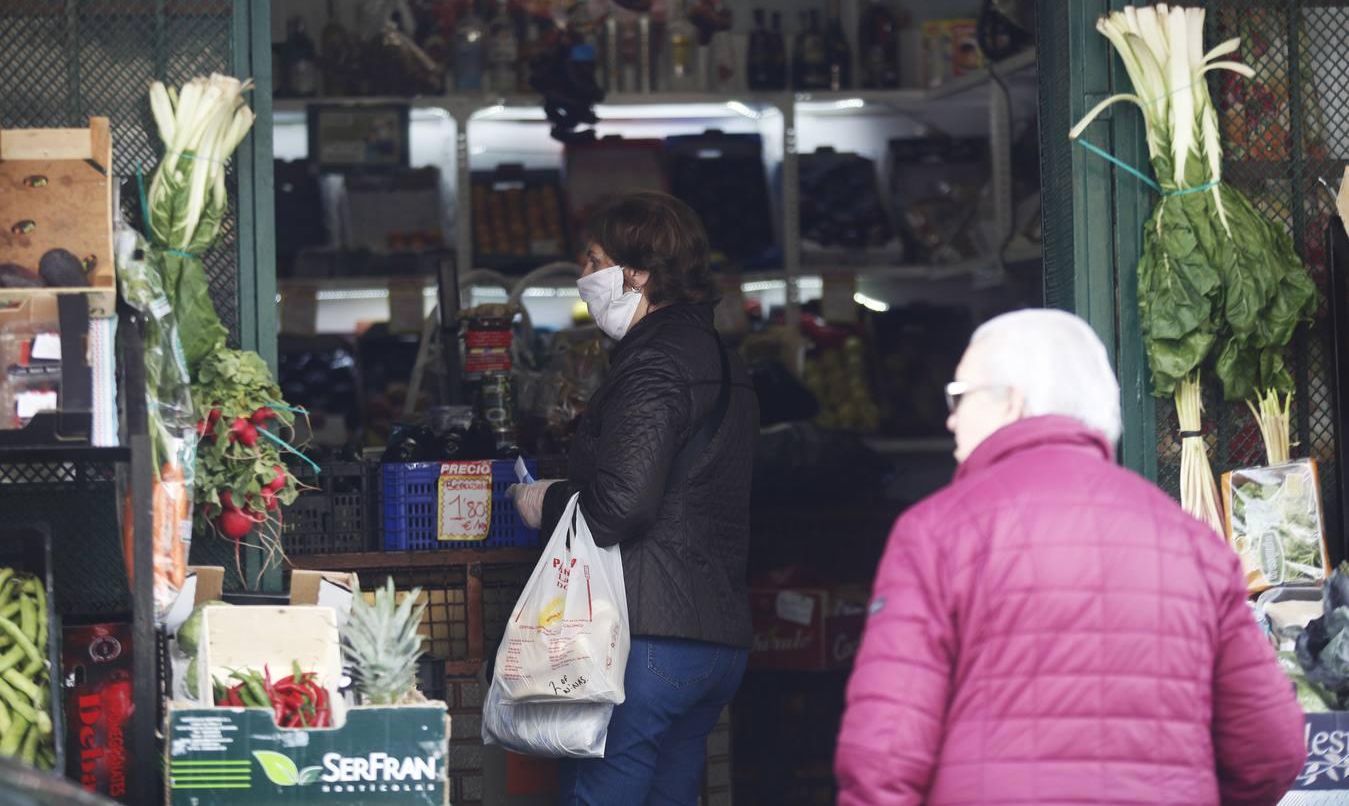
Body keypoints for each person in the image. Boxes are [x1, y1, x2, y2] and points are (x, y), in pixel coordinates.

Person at [834, 309, 1307, 806]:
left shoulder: (936, 533)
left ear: (1010, 400)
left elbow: (883, 756)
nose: (950, 418)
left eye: (959, 395)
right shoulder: (1194, 544)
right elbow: (1270, 750)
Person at [508, 191, 758, 805]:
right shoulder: (718, 358)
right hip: (713, 639)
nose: (584, 275)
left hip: (647, 638)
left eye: (594, 261)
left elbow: (621, 506)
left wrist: (546, 501)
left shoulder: (654, 361)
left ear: (639, 272)